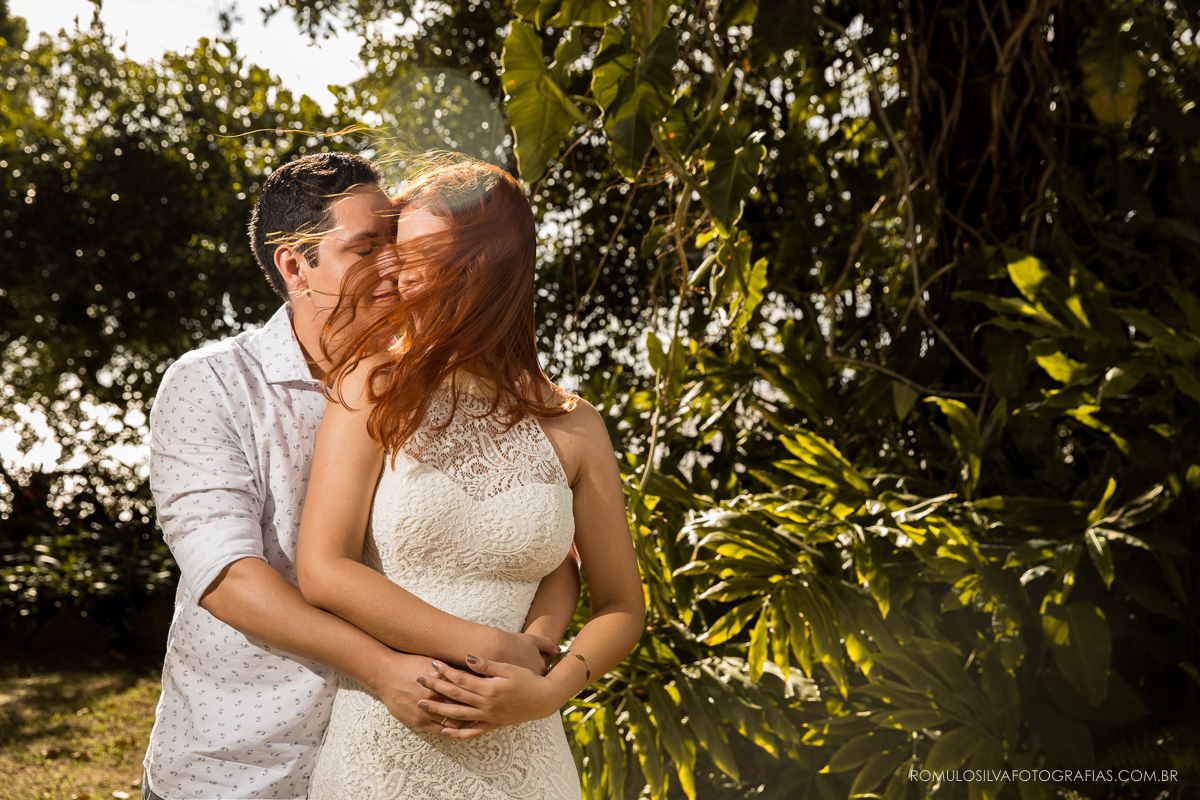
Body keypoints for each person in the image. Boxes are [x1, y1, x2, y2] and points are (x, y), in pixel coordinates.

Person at [142, 152, 581, 800]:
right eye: (366, 247)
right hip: (243, 762)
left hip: (400, 753)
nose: (395, 265)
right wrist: (380, 667)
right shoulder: (213, 384)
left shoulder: (431, 385)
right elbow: (228, 579)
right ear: (296, 267)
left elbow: (524, 536)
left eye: (398, 243)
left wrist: (538, 651)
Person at [295, 159, 646, 799]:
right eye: (399, 252)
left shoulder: (575, 425)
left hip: (528, 757)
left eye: (424, 256)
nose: (400, 274)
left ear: (491, 265)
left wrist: (548, 690)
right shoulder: (372, 387)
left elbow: (621, 604)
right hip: (384, 749)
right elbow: (324, 569)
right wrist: (490, 649)